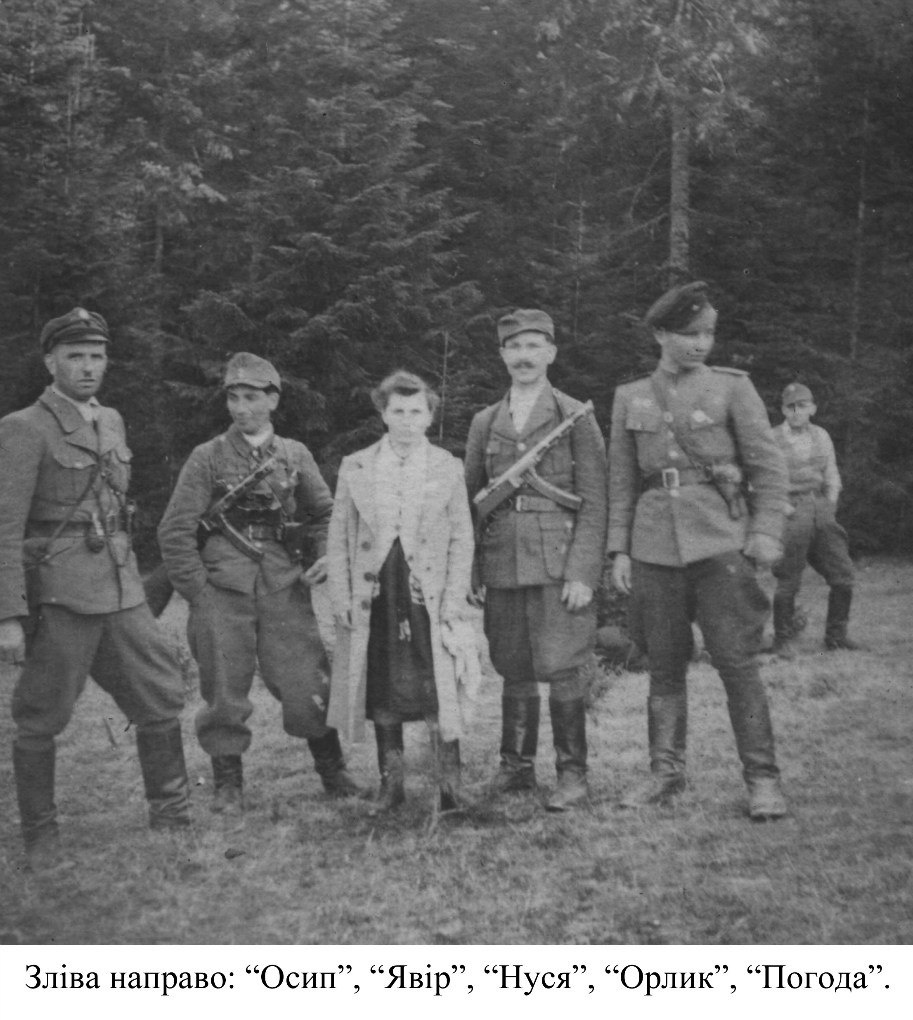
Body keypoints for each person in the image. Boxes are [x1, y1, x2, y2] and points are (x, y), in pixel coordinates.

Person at [0, 308, 191, 870]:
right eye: (75, 356)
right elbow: (5, 527)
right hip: (60, 593)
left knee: (159, 693)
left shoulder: (111, 421)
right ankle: (41, 838)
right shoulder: (24, 427)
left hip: (121, 587)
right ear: (50, 362)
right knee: (42, 713)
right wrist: (7, 615)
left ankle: (173, 815)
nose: (87, 367)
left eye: (97, 356)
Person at [607, 281, 790, 820]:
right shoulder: (630, 396)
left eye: (708, 334)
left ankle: (762, 780)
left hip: (720, 542)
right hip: (654, 547)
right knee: (664, 666)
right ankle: (665, 774)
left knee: (737, 663)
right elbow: (622, 481)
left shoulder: (733, 387)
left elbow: (767, 466)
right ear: (661, 334)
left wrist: (766, 531)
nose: (701, 344)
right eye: (689, 334)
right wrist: (619, 550)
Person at [157, 352, 360, 814]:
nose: (241, 408)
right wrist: (197, 590)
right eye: (233, 398)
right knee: (223, 690)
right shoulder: (207, 457)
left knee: (307, 680)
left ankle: (333, 772)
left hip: (283, 585)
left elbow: (325, 513)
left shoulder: (294, 454)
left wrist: (326, 553)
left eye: (251, 397)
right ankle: (228, 784)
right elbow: (175, 529)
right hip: (220, 589)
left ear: (273, 400)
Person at [464, 309, 607, 812]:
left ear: (550, 352)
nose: (523, 356)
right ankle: (516, 768)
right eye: (514, 347)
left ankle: (572, 774)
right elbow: (470, 502)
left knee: (563, 665)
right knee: (513, 665)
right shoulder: (486, 421)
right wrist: (473, 570)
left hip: (557, 561)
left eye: (533, 346)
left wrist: (583, 572)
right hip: (502, 561)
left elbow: (596, 500)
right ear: (502, 355)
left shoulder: (576, 416)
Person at [326, 371, 478, 812]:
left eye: (416, 412)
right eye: (398, 411)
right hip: (377, 594)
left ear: (430, 416)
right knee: (383, 685)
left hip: (427, 594)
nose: (407, 421)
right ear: (383, 413)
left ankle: (449, 784)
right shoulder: (357, 465)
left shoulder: (447, 466)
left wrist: (453, 599)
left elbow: (462, 537)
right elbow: (338, 537)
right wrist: (341, 598)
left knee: (438, 684)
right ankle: (391, 784)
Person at [770, 382, 860, 653]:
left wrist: (830, 503)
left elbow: (831, 473)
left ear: (813, 408)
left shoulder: (821, 435)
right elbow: (762, 482)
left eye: (802, 406)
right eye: (791, 407)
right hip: (791, 510)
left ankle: (836, 637)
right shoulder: (771, 438)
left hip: (821, 509)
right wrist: (785, 509)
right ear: (783, 410)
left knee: (843, 575)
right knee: (788, 579)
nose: (797, 411)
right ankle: (783, 640)